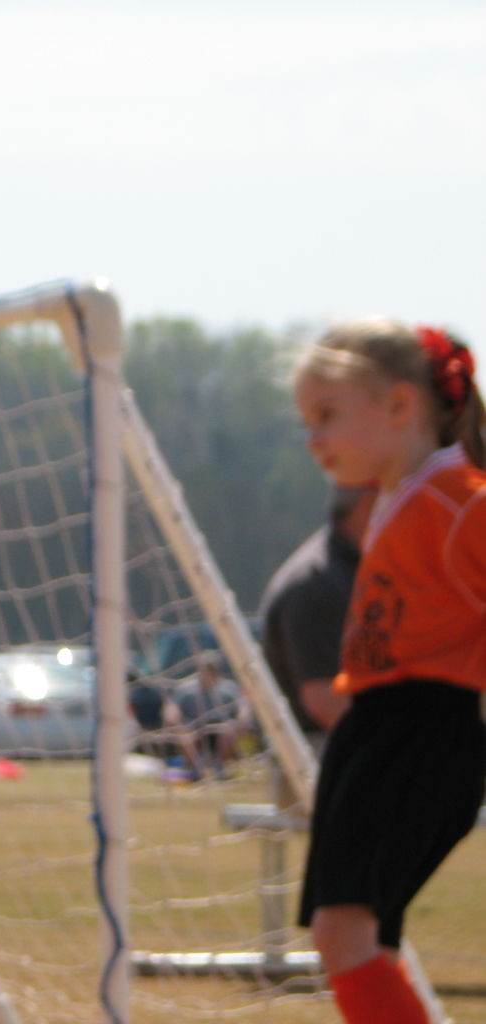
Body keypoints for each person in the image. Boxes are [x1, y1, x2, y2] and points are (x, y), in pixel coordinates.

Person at [290, 318, 486, 1024]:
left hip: (422, 732)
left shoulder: (461, 500)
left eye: (327, 415)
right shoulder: (400, 498)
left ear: (400, 406)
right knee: (353, 937)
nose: (312, 438)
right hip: (376, 730)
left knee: (343, 934)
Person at [259, 483, 377, 744]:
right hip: (325, 757)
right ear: (370, 501)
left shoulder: (354, 568)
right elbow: (326, 701)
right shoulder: (317, 581)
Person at [163, 651, 248, 779]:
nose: (208, 673)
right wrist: (173, 719)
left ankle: (219, 769)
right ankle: (197, 770)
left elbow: (242, 708)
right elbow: (171, 708)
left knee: (228, 731)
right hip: (195, 727)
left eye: (212, 670)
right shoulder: (186, 689)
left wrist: (241, 720)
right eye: (205, 669)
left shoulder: (229, 689)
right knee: (185, 734)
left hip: (220, 729)